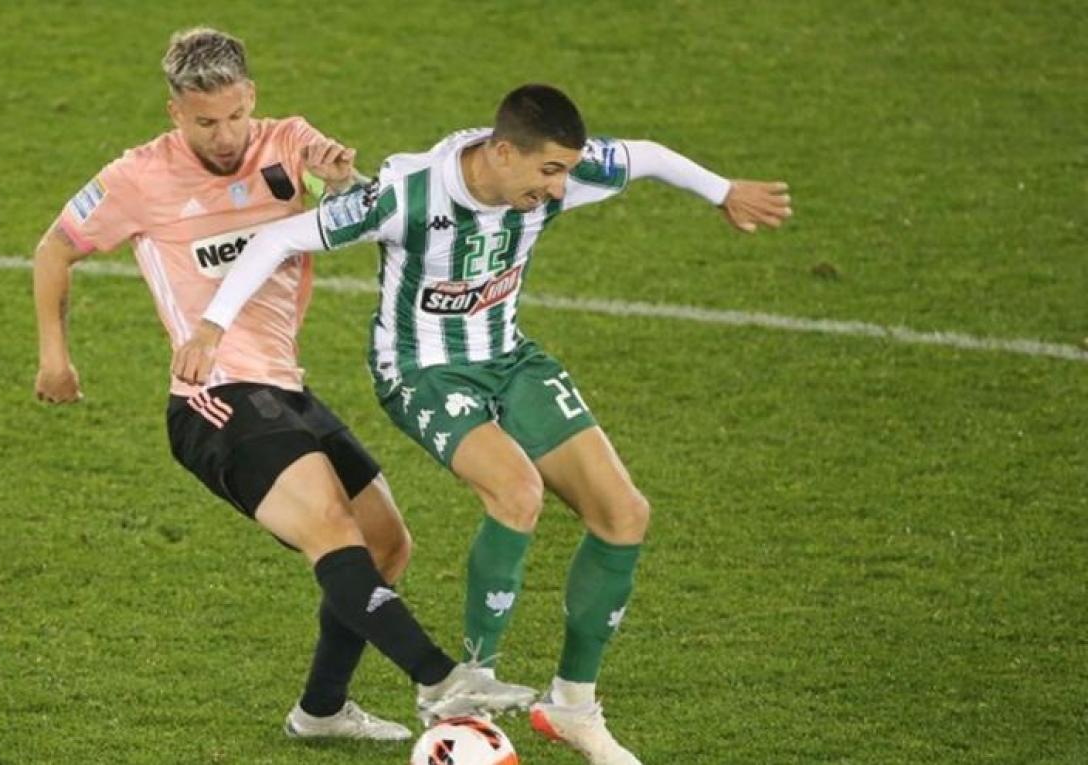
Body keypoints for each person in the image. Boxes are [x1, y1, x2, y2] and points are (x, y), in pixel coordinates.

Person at [173, 83, 791, 764]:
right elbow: (281, 236)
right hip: (423, 371)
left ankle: (573, 705)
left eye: (565, 172)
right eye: (547, 172)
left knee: (624, 514)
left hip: (509, 357)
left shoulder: (555, 174)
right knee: (516, 491)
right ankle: (465, 685)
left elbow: (643, 156)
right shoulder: (407, 194)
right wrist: (211, 327)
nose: (559, 190)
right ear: (501, 153)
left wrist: (723, 190)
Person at [32, 28, 533, 742]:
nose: (225, 136)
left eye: (236, 115)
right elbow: (54, 249)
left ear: (252, 97)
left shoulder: (289, 143)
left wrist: (342, 181)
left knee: (386, 543)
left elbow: (362, 211)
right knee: (331, 525)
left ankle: (321, 710)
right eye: (205, 122)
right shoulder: (137, 177)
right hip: (212, 396)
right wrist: (56, 358)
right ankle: (440, 677)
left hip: (285, 389)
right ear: (176, 112)